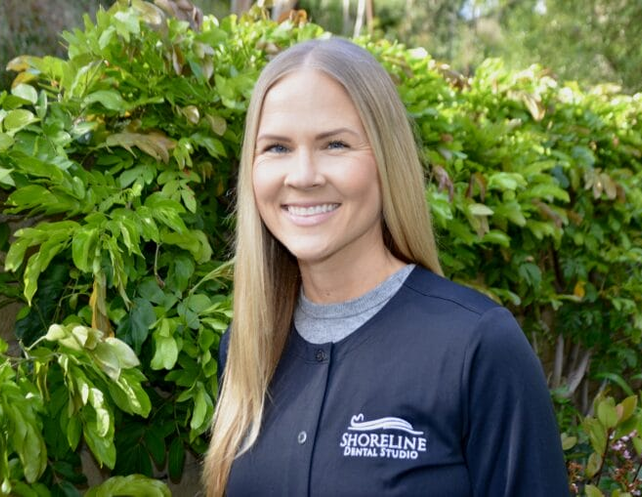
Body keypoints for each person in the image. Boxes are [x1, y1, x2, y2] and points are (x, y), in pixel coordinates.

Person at [203, 37, 570, 496]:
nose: (303, 175)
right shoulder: (244, 348)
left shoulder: (477, 346)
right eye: (277, 148)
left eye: (335, 144)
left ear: (387, 158)